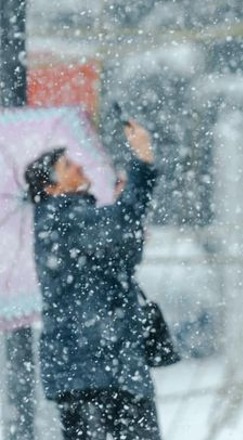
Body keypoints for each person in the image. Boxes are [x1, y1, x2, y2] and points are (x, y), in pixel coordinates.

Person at [24, 120, 161, 440]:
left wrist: (127, 218)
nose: (78, 167)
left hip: (110, 369)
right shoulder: (61, 219)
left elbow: (121, 254)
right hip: (95, 374)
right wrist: (141, 162)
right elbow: (120, 227)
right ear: (51, 188)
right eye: (67, 165)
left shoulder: (73, 220)